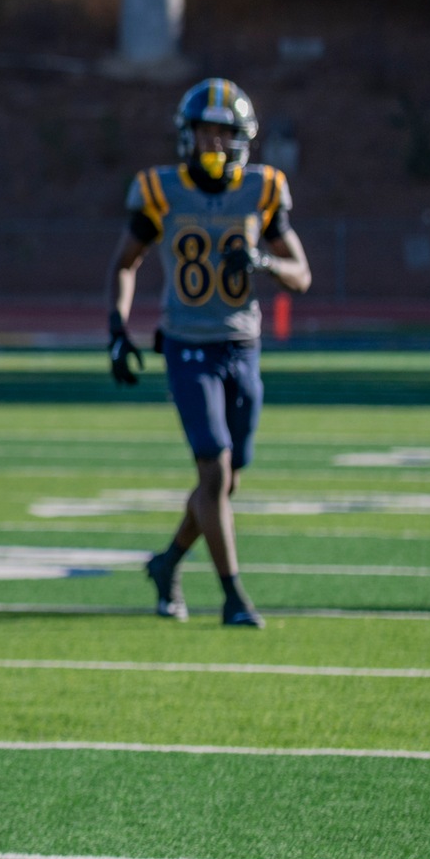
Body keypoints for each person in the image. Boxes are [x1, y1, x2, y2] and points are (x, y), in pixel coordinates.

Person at [107, 78, 311, 629]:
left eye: (224, 134)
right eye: (205, 133)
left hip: (243, 346)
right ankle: (233, 596)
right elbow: (127, 262)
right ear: (187, 137)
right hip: (187, 345)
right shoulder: (161, 189)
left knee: (226, 479)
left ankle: (167, 561)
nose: (214, 145)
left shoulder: (262, 189)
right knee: (214, 470)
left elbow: (302, 274)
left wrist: (265, 265)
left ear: (242, 139)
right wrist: (117, 327)